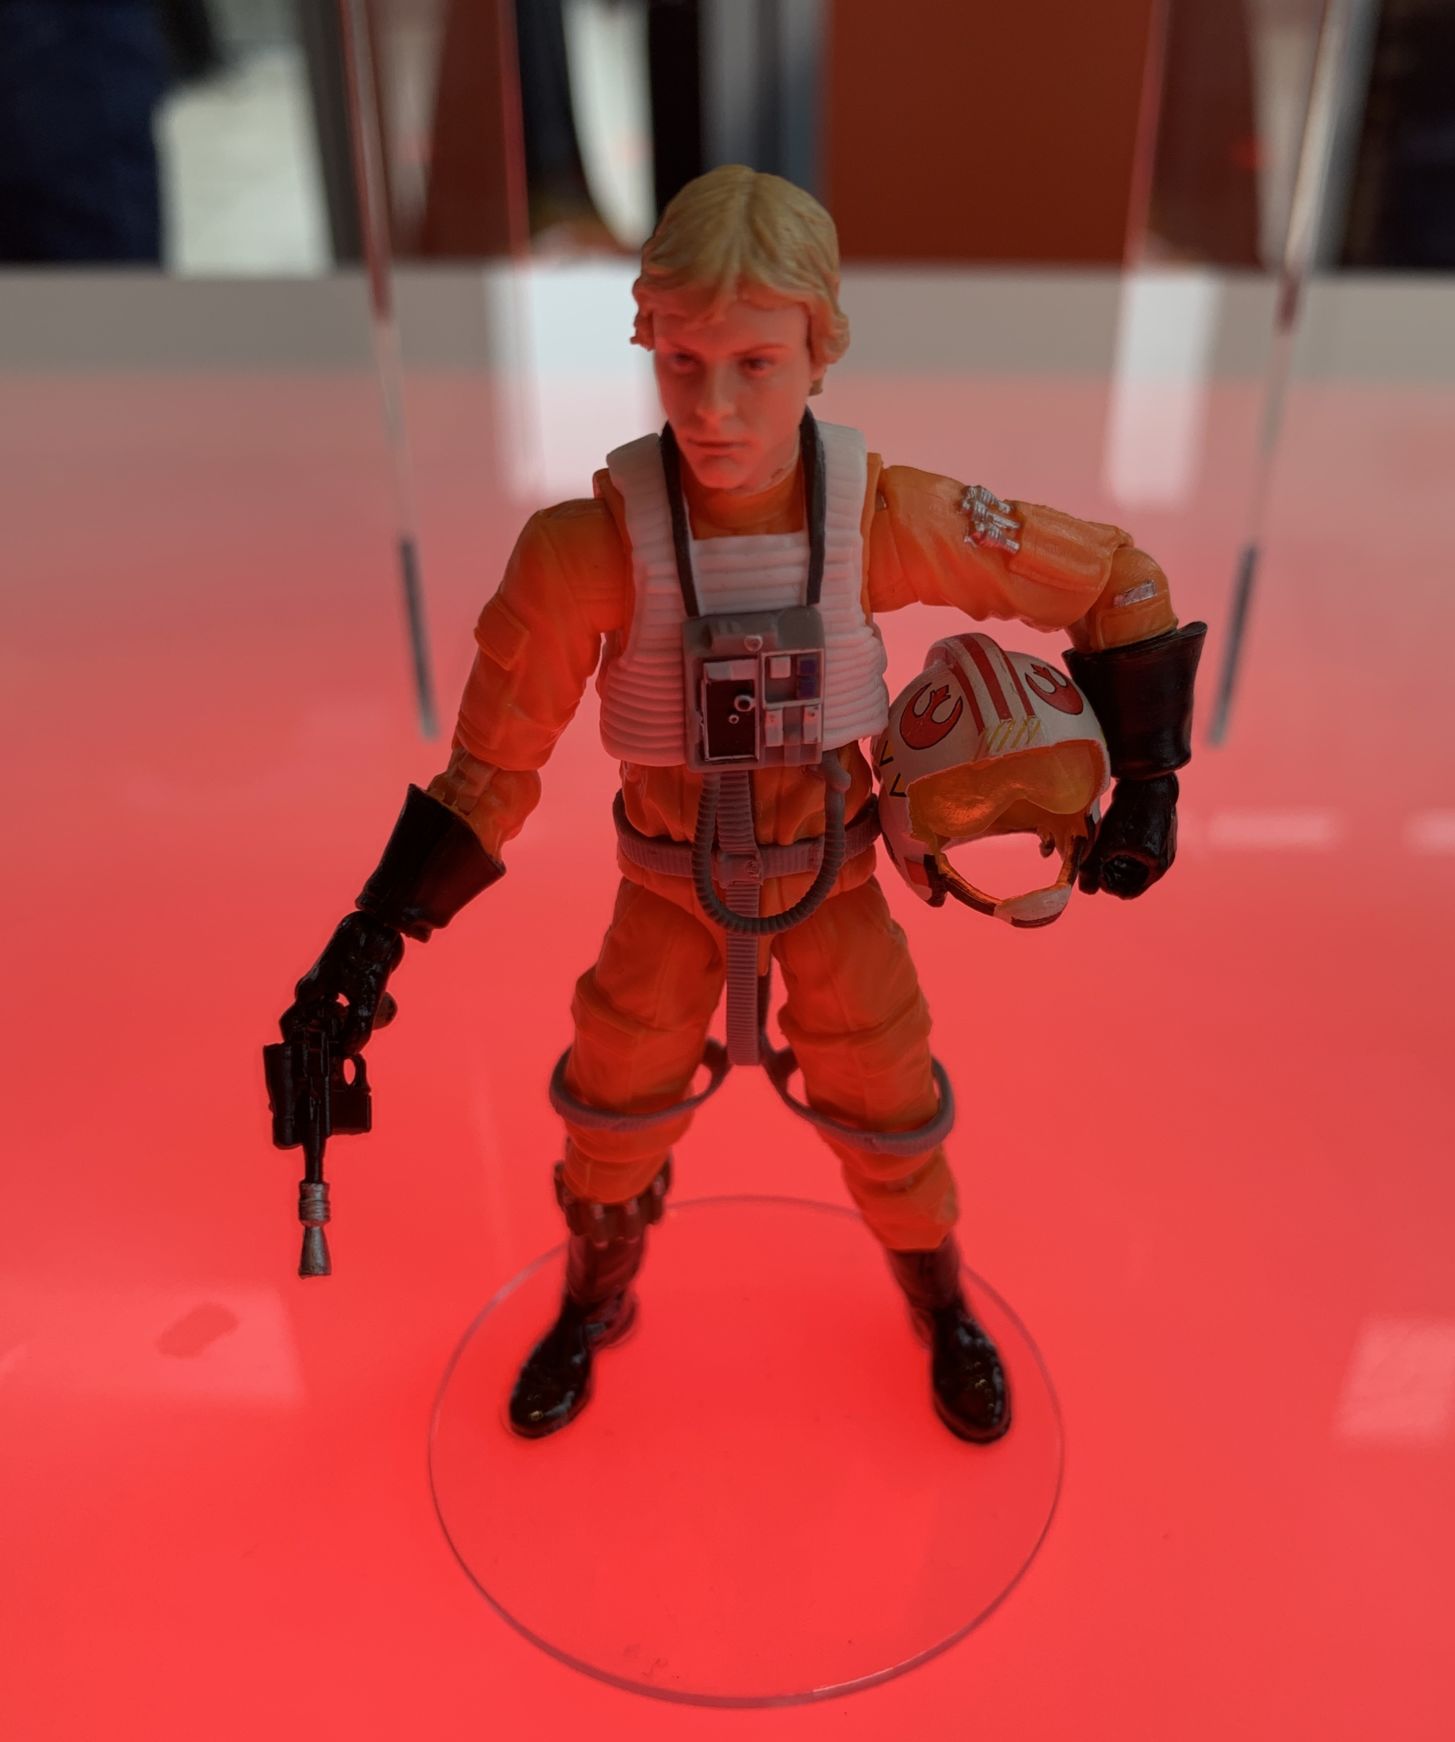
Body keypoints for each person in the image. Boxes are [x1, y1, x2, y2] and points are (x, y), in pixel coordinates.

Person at [275, 166, 1200, 1446]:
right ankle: (593, 1298)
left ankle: (939, 1300)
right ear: (648, 342)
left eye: (756, 365)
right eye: (685, 360)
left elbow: (1112, 580)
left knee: (892, 1109)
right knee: (608, 1117)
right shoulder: (584, 554)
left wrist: (1147, 782)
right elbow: (491, 771)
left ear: (820, 353)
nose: (714, 409)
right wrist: (376, 931)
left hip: (834, 884)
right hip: (666, 891)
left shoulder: (877, 518)